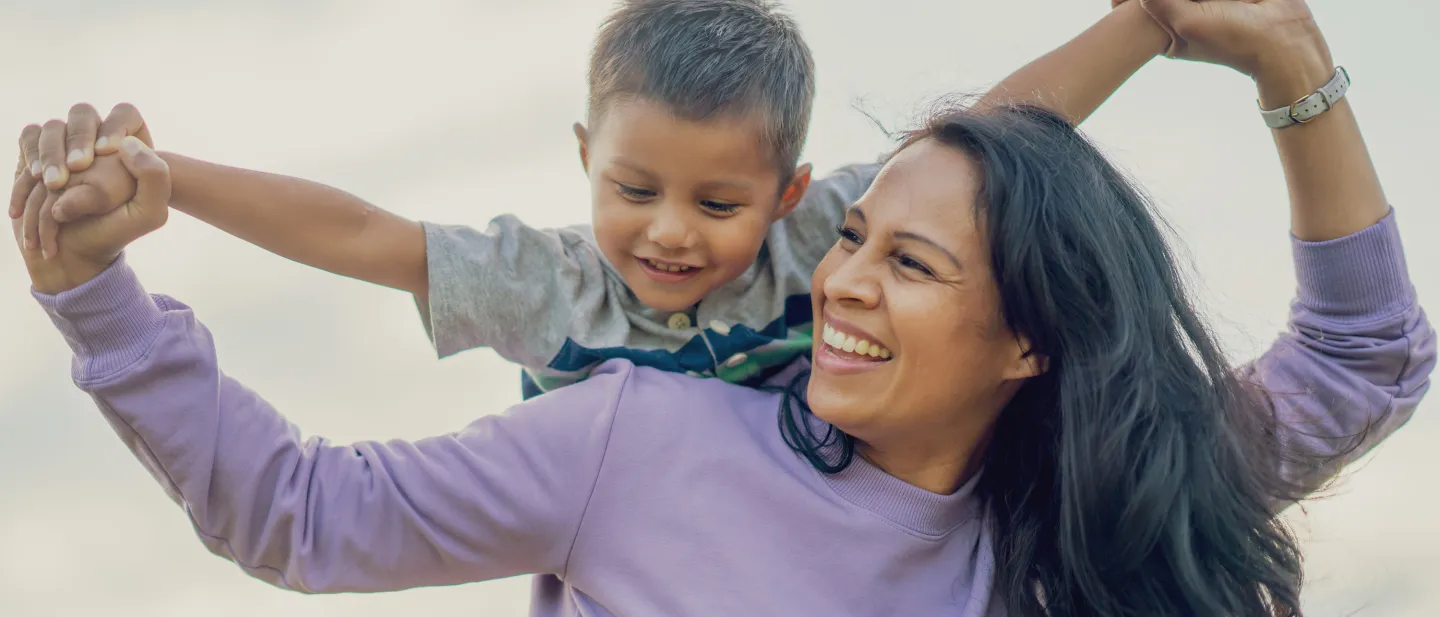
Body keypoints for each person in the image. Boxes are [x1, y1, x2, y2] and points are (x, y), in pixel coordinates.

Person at [12, 0, 1434, 615]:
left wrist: (1285, 61)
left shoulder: (1103, 490)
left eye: (912, 264)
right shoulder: (637, 440)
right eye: (856, 239)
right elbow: (299, 512)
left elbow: (1364, 360)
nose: (844, 279)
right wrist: (101, 298)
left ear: (1030, 344)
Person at [11, 0, 1167, 399]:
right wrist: (176, 181)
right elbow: (365, 232)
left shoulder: (820, 242)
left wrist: (1149, 22)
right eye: (634, 187)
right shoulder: (547, 282)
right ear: (583, 158)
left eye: (719, 203)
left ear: (789, 194)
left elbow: (991, 134)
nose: (668, 230)